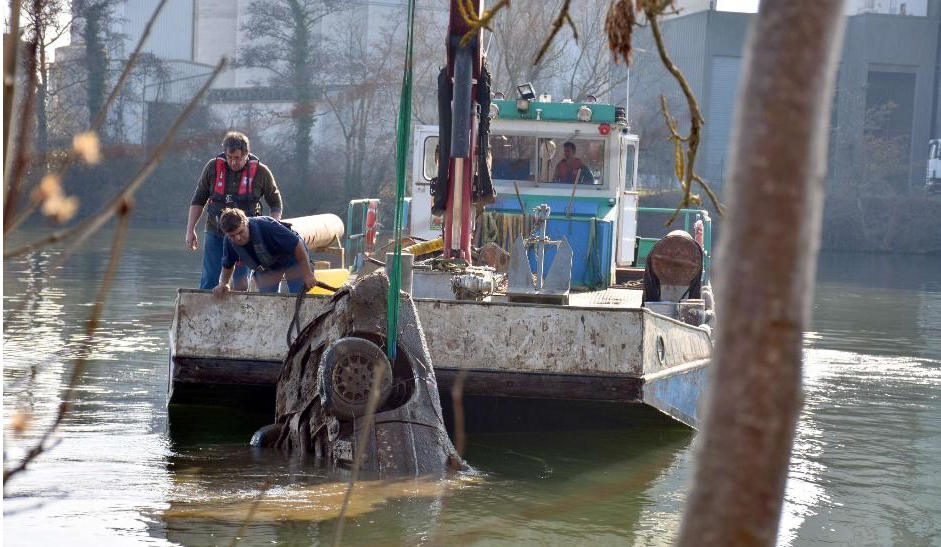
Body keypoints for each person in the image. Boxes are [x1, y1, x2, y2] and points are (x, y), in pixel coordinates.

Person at [186, 131, 283, 290]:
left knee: (241, 281)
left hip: (245, 236)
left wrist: (273, 227)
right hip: (215, 231)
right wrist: (190, 230)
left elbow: (275, 203)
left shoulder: (261, 172)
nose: (233, 162)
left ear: (247, 154)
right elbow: (198, 199)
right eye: (229, 157)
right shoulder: (213, 168)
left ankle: (239, 312)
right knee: (209, 278)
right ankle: (206, 312)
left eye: (237, 158)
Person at [212, 208, 316, 296]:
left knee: (298, 294)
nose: (237, 238)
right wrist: (223, 283)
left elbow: (297, 245)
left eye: (240, 232)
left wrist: (307, 274)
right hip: (267, 265)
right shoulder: (229, 241)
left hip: (292, 258)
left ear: (246, 223)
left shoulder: (268, 226)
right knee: (266, 298)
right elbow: (227, 265)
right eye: (232, 235)